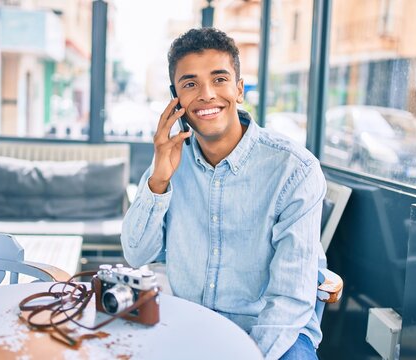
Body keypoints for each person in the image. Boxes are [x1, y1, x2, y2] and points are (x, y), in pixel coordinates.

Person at [121, 27, 326, 359]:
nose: (206, 94)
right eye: (190, 84)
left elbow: (289, 301)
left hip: (272, 332)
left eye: (219, 79)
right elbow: (136, 254)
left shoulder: (295, 169)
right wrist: (158, 180)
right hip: (190, 322)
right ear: (176, 99)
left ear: (239, 89)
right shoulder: (171, 160)